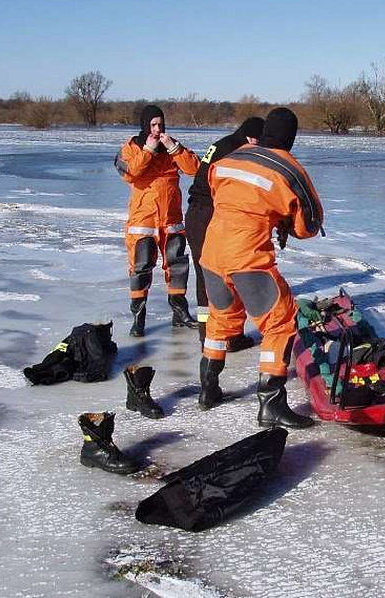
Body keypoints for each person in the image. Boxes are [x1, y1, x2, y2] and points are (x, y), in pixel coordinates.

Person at [196, 107, 324, 425]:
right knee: (280, 322)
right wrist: (283, 220)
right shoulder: (289, 169)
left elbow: (216, 187)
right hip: (247, 256)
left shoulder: (232, 157)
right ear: (291, 137)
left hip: (211, 251)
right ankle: (271, 404)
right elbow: (309, 225)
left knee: (220, 319)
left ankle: (208, 389)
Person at [115, 105, 201, 337]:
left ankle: (179, 312)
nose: (157, 129)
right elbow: (128, 173)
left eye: (160, 125)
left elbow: (195, 169)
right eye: (153, 125)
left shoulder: (172, 147)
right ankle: (139, 316)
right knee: (141, 268)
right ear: (145, 126)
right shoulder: (131, 147)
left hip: (171, 220)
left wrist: (174, 148)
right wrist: (148, 150)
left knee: (177, 266)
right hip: (143, 220)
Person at [185, 117, 265, 350]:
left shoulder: (224, 144)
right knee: (225, 276)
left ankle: (210, 337)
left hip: (196, 215)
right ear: (252, 137)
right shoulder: (237, 152)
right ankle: (224, 337)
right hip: (210, 215)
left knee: (206, 277)